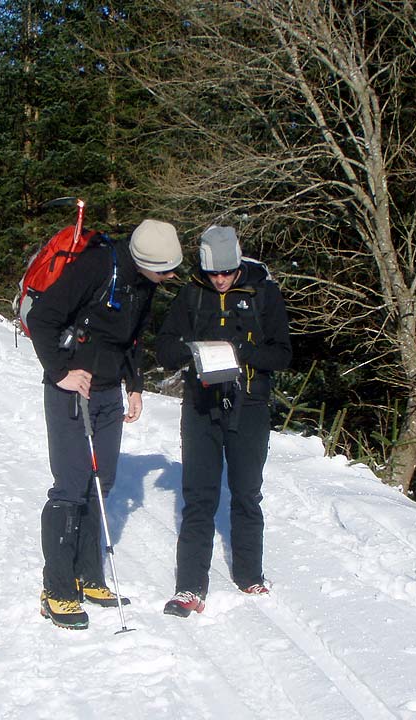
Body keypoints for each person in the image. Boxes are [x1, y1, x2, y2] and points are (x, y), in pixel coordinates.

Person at [27, 218, 183, 630]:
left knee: (103, 481)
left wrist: (135, 385)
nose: (171, 277)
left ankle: (88, 575)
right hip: (71, 389)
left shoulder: (145, 284)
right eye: (166, 270)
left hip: (110, 391)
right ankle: (56, 590)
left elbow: (131, 338)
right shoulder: (98, 266)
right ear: (147, 261)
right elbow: (43, 318)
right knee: (71, 486)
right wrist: (61, 372)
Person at [156, 225, 292, 617]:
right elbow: (164, 349)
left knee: (246, 492)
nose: (220, 280)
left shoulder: (263, 292)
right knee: (199, 496)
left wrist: (243, 351)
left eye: (227, 272)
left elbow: (282, 354)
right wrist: (193, 351)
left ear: (238, 264)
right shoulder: (191, 293)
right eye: (213, 273)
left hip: (249, 405)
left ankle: (250, 573)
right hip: (201, 406)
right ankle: (190, 587)